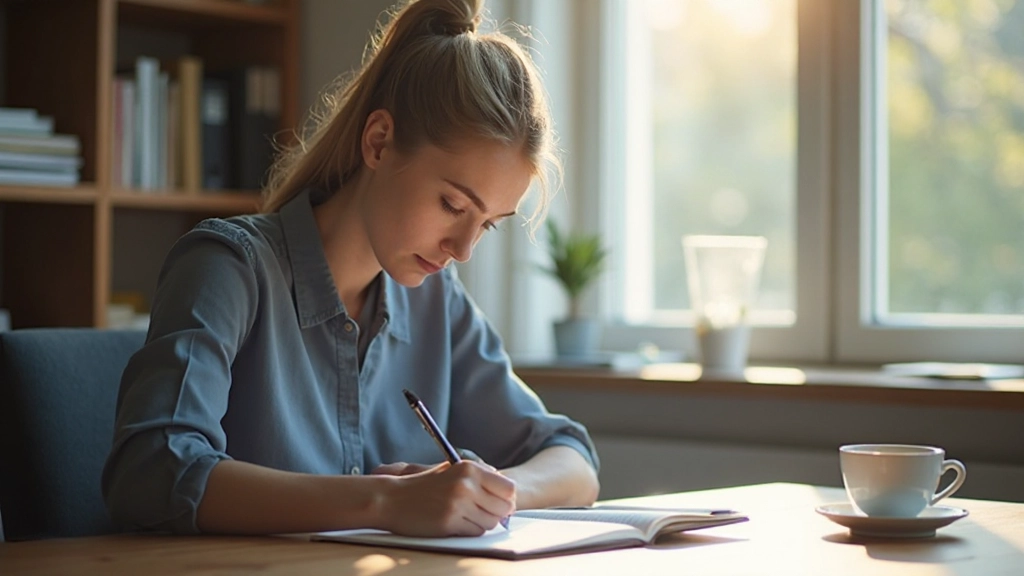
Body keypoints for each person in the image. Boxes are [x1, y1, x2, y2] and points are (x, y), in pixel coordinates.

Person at [101, 0, 599, 537]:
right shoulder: (229, 269)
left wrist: (487, 495)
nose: (462, 250)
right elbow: (151, 470)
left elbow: (572, 460)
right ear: (379, 142)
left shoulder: (436, 299)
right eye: (453, 206)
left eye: (487, 224)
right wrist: (386, 501)